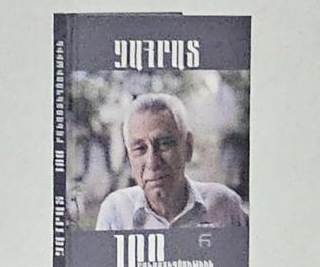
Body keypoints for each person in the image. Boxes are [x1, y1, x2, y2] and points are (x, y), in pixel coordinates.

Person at [95, 93, 248, 230]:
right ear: (129, 157)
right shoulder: (116, 210)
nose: (152, 162)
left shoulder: (225, 205)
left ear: (188, 147)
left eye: (164, 144)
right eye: (140, 148)